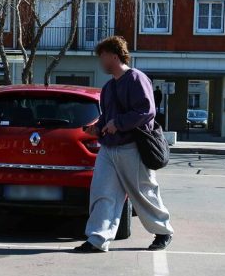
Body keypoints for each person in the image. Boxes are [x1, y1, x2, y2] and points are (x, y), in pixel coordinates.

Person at [74, 36, 174, 253]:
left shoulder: (136, 78)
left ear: (113, 55)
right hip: (108, 148)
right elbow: (108, 117)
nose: (100, 62)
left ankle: (163, 231)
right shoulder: (109, 87)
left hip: (132, 147)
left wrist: (117, 124)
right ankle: (98, 239)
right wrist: (97, 127)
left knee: (143, 191)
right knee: (102, 192)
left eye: (102, 57)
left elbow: (147, 111)